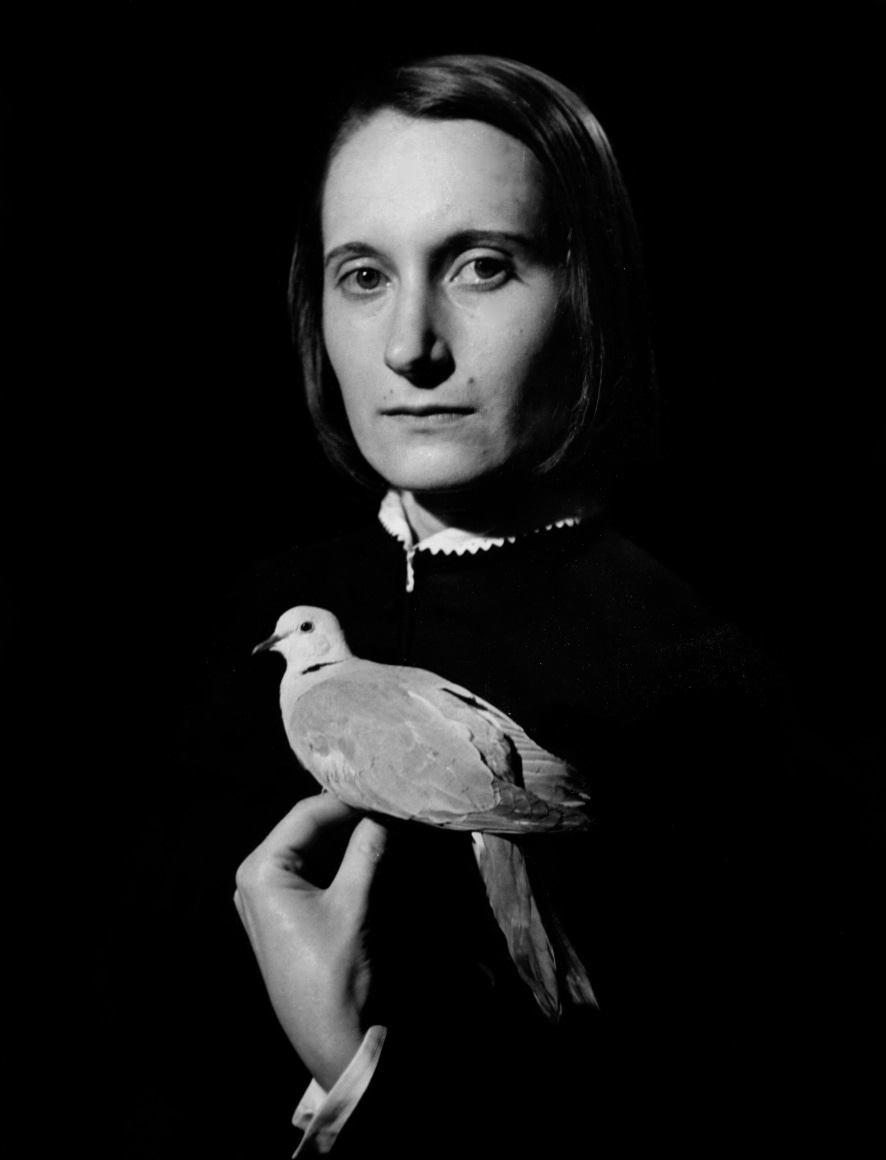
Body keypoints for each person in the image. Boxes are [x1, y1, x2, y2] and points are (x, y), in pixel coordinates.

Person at [177, 55, 796, 1158]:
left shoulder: (706, 677)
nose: (412, 347)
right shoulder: (245, 616)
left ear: (588, 290)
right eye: (362, 275)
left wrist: (353, 1063)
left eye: (479, 265)